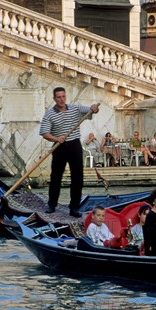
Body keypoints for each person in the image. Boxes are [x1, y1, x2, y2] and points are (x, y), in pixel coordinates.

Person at [40, 87, 100, 217]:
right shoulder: (49, 114)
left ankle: (74, 208)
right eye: (58, 97)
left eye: (63, 97)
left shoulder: (75, 108)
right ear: (54, 99)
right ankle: (52, 205)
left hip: (74, 145)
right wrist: (56, 138)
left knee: (77, 177)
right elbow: (44, 132)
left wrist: (95, 108)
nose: (61, 99)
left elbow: (91, 111)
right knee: (56, 177)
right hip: (58, 146)